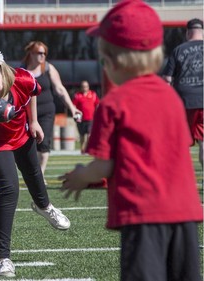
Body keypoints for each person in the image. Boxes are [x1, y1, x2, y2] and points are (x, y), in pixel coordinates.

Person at [59, 1, 203, 281]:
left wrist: (80, 176)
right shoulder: (171, 98)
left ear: (111, 62)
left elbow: (103, 166)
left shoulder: (113, 103)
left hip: (142, 215)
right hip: (184, 213)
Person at [0, 48, 70, 277]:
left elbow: (32, 94)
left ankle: (44, 206)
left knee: (33, 173)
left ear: (4, 73)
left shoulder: (22, 78)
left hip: (21, 133)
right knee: (9, 189)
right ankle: (1, 259)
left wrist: (35, 121)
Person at [22, 41, 82, 184]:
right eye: (39, 53)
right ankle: (32, 171)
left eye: (44, 53)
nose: (43, 56)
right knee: (28, 144)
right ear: (31, 54)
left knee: (44, 142)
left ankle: (40, 173)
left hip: (46, 111)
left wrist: (72, 108)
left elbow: (60, 89)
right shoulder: (22, 71)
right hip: (28, 112)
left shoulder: (48, 68)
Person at [162, 18, 204, 168]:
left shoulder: (178, 50)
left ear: (188, 33)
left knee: (181, 142)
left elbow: (167, 79)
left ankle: (180, 180)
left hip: (184, 101)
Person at [72, 80, 100, 154]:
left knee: (89, 134)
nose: (85, 88)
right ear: (81, 87)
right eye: (83, 86)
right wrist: (74, 114)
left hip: (90, 118)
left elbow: (97, 104)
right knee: (81, 135)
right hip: (80, 118)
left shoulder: (93, 94)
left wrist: (97, 113)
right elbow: (73, 105)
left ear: (88, 87)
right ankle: (82, 148)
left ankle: (87, 148)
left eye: (86, 86)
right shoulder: (77, 95)